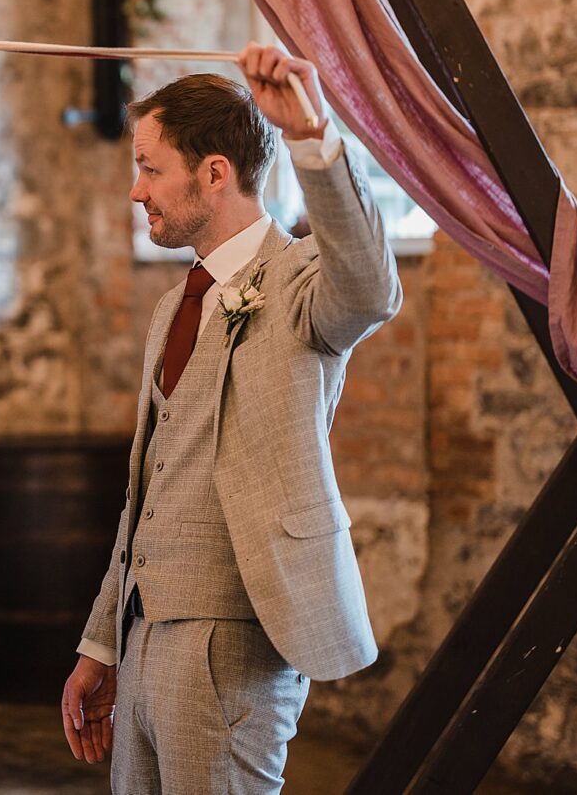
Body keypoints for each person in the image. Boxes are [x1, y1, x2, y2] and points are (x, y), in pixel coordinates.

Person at [60, 44, 402, 793]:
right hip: (142, 636)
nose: (135, 191)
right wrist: (102, 642)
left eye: (150, 168)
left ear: (214, 173)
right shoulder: (170, 306)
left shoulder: (302, 282)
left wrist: (313, 135)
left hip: (234, 643)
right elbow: (145, 492)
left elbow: (372, 287)